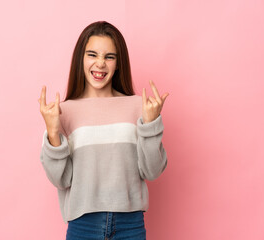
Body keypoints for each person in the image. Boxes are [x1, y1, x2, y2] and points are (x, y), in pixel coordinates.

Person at [38, 21, 169, 240]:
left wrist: (151, 126)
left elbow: (152, 171)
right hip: (83, 226)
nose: (100, 64)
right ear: (81, 59)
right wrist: (53, 133)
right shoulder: (63, 112)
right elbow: (60, 180)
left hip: (131, 226)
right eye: (92, 55)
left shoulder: (139, 106)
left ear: (118, 63)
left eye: (109, 57)